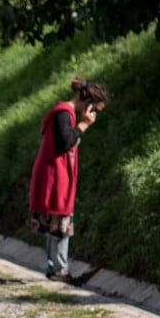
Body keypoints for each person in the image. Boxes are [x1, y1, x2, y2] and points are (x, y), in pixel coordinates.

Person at [28, 77, 109, 283]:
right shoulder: (64, 113)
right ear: (88, 103)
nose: (94, 114)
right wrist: (84, 125)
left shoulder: (64, 113)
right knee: (60, 222)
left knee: (57, 222)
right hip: (55, 175)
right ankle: (60, 269)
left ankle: (54, 267)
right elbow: (66, 142)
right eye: (95, 109)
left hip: (57, 173)